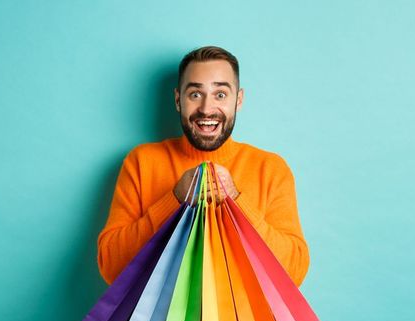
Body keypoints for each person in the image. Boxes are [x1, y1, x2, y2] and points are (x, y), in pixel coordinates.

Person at [96, 46, 310, 286]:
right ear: (178, 100)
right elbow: (111, 267)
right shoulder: (141, 163)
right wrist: (174, 200)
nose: (207, 109)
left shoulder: (271, 169)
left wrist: (237, 201)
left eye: (220, 94)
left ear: (238, 100)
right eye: (195, 94)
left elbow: (295, 272)